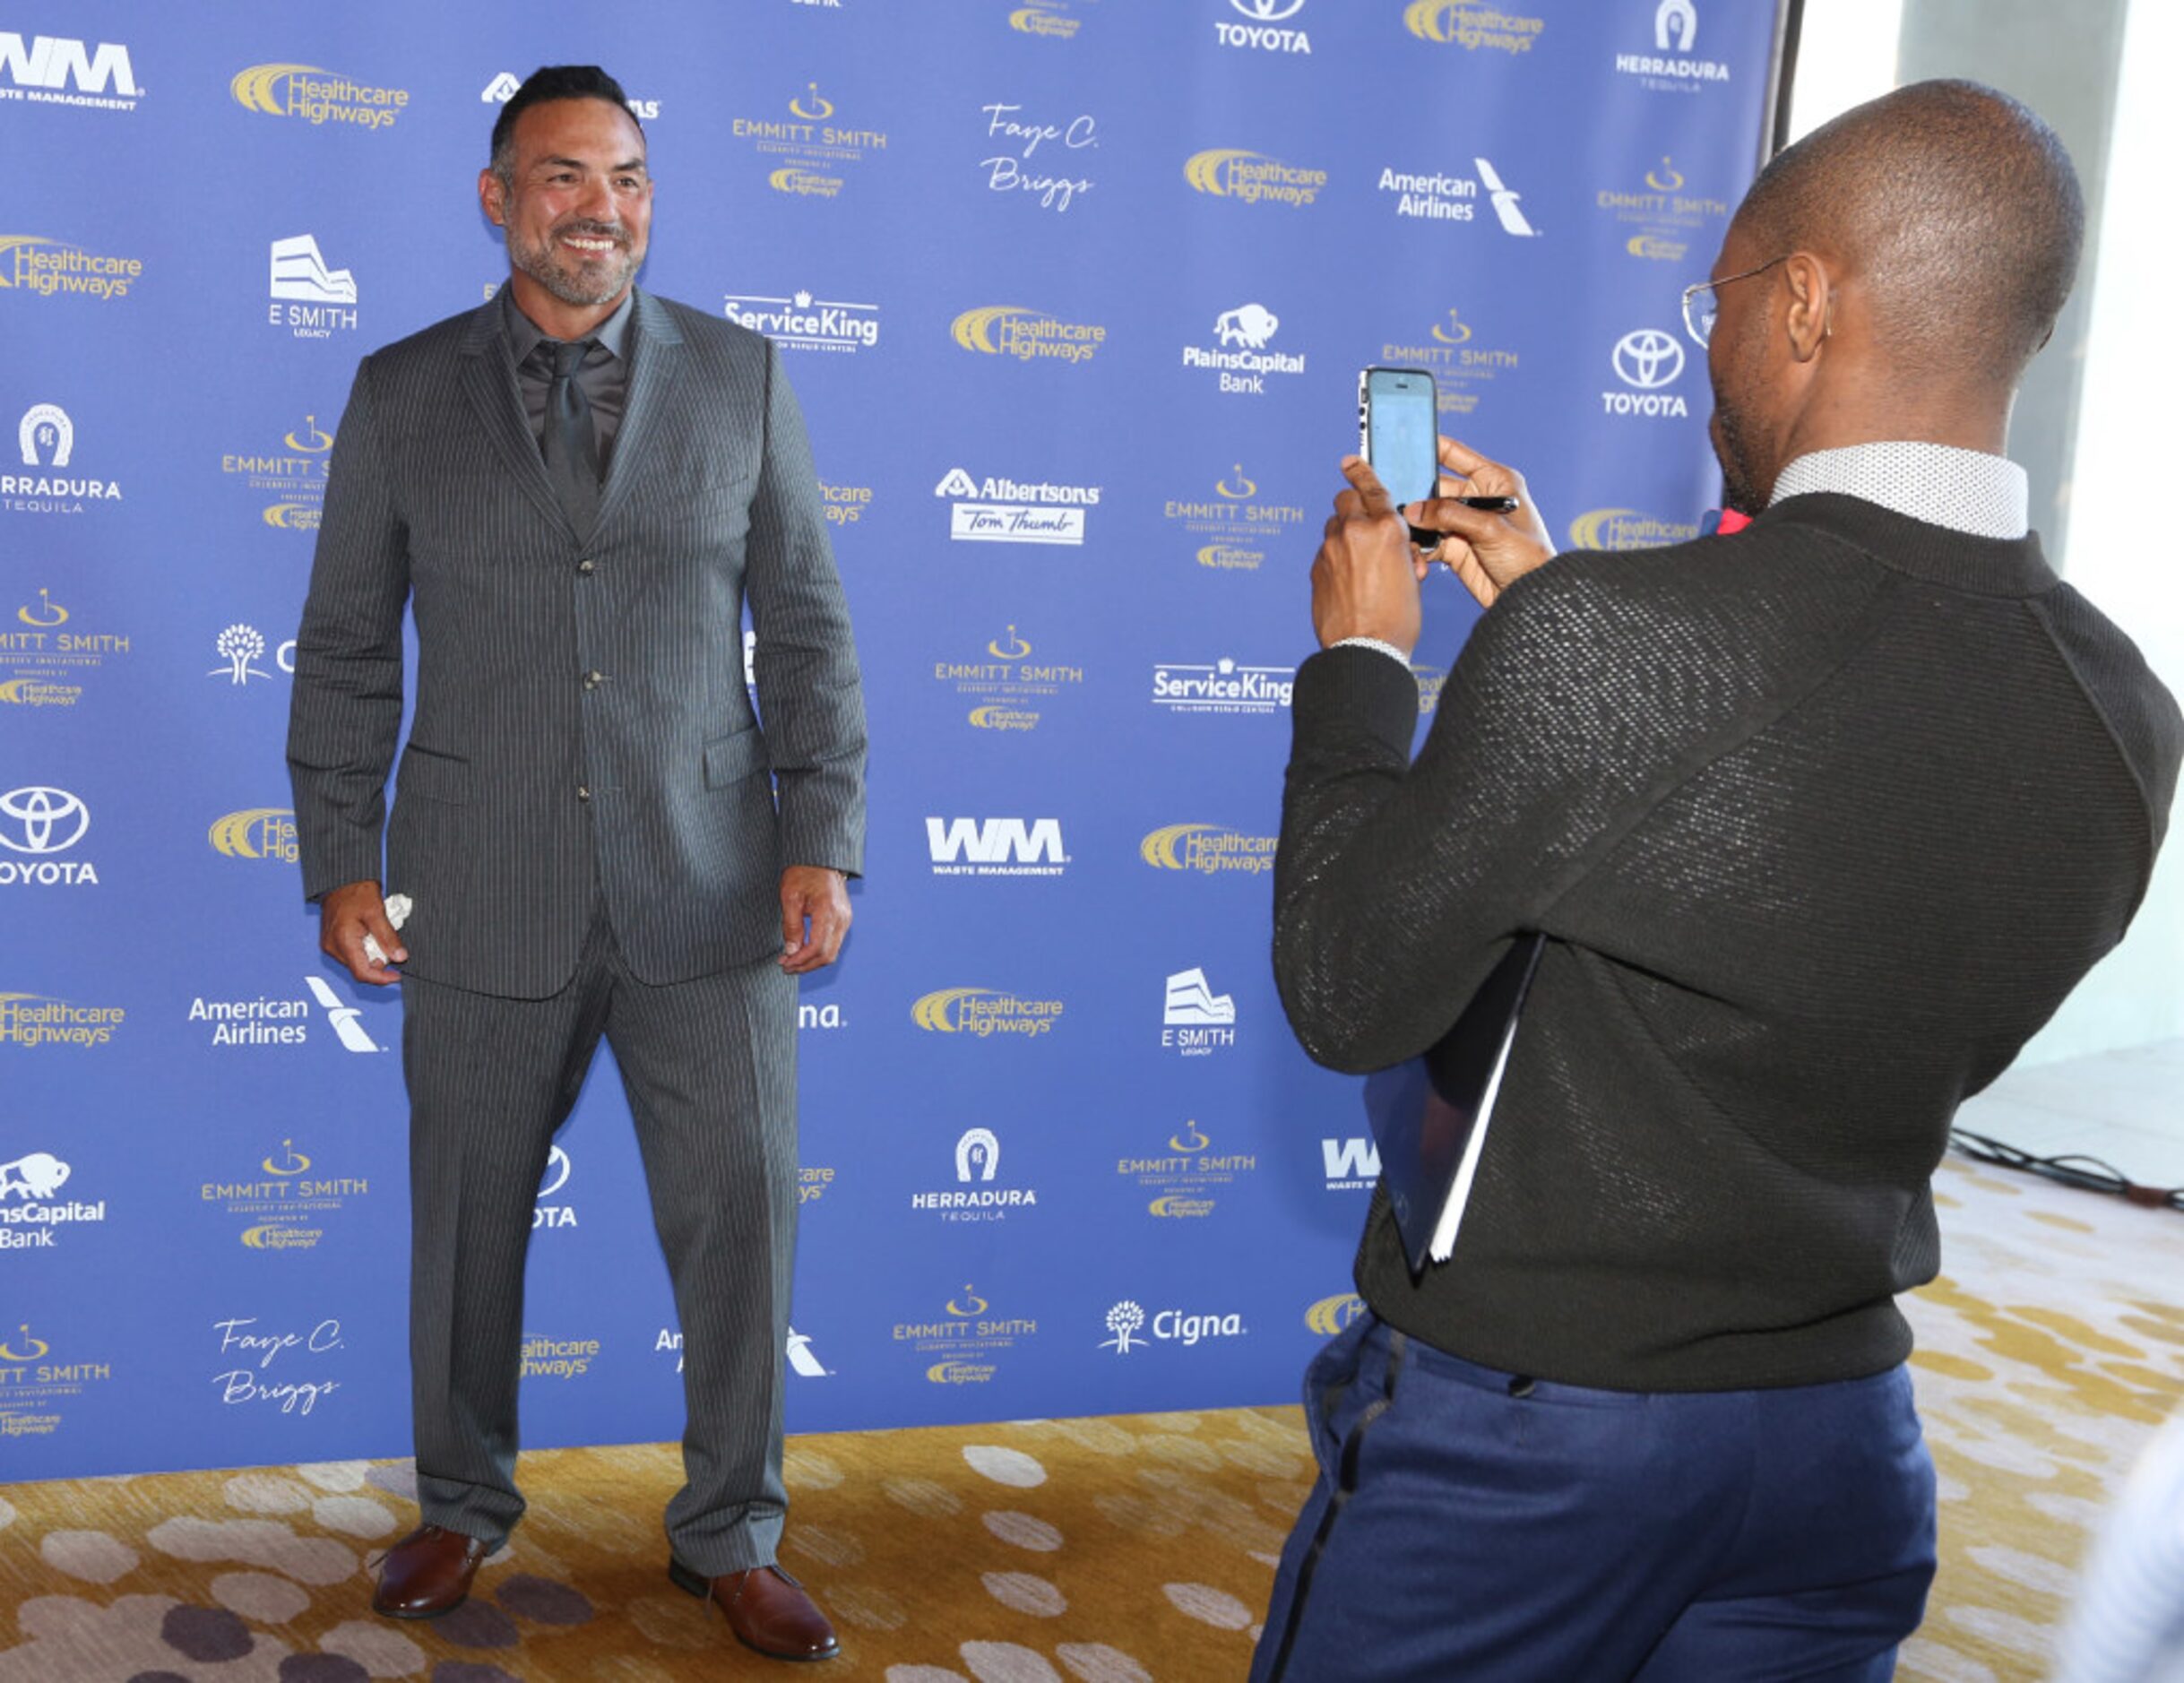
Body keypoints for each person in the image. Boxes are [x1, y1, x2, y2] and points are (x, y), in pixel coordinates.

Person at [1255, 80, 2181, 1681]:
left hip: (1529, 1444)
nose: (1704, 349)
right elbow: (1806, 870)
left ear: (1809, 300)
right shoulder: (2123, 717)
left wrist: (1355, 662)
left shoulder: (1616, 646)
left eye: (1723, 299)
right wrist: (1562, 627)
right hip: (1841, 1458)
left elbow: (1347, 986)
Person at [286, 65, 863, 1664]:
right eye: (558, 176)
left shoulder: (742, 380)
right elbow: (343, 649)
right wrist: (341, 853)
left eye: (623, 176)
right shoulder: (401, 392)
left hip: (712, 882)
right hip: (476, 881)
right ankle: (461, 1506)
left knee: (742, 1225)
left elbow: (808, 630)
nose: (596, 205)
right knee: (465, 1219)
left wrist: (823, 837)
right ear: (496, 197)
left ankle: (732, 1532)